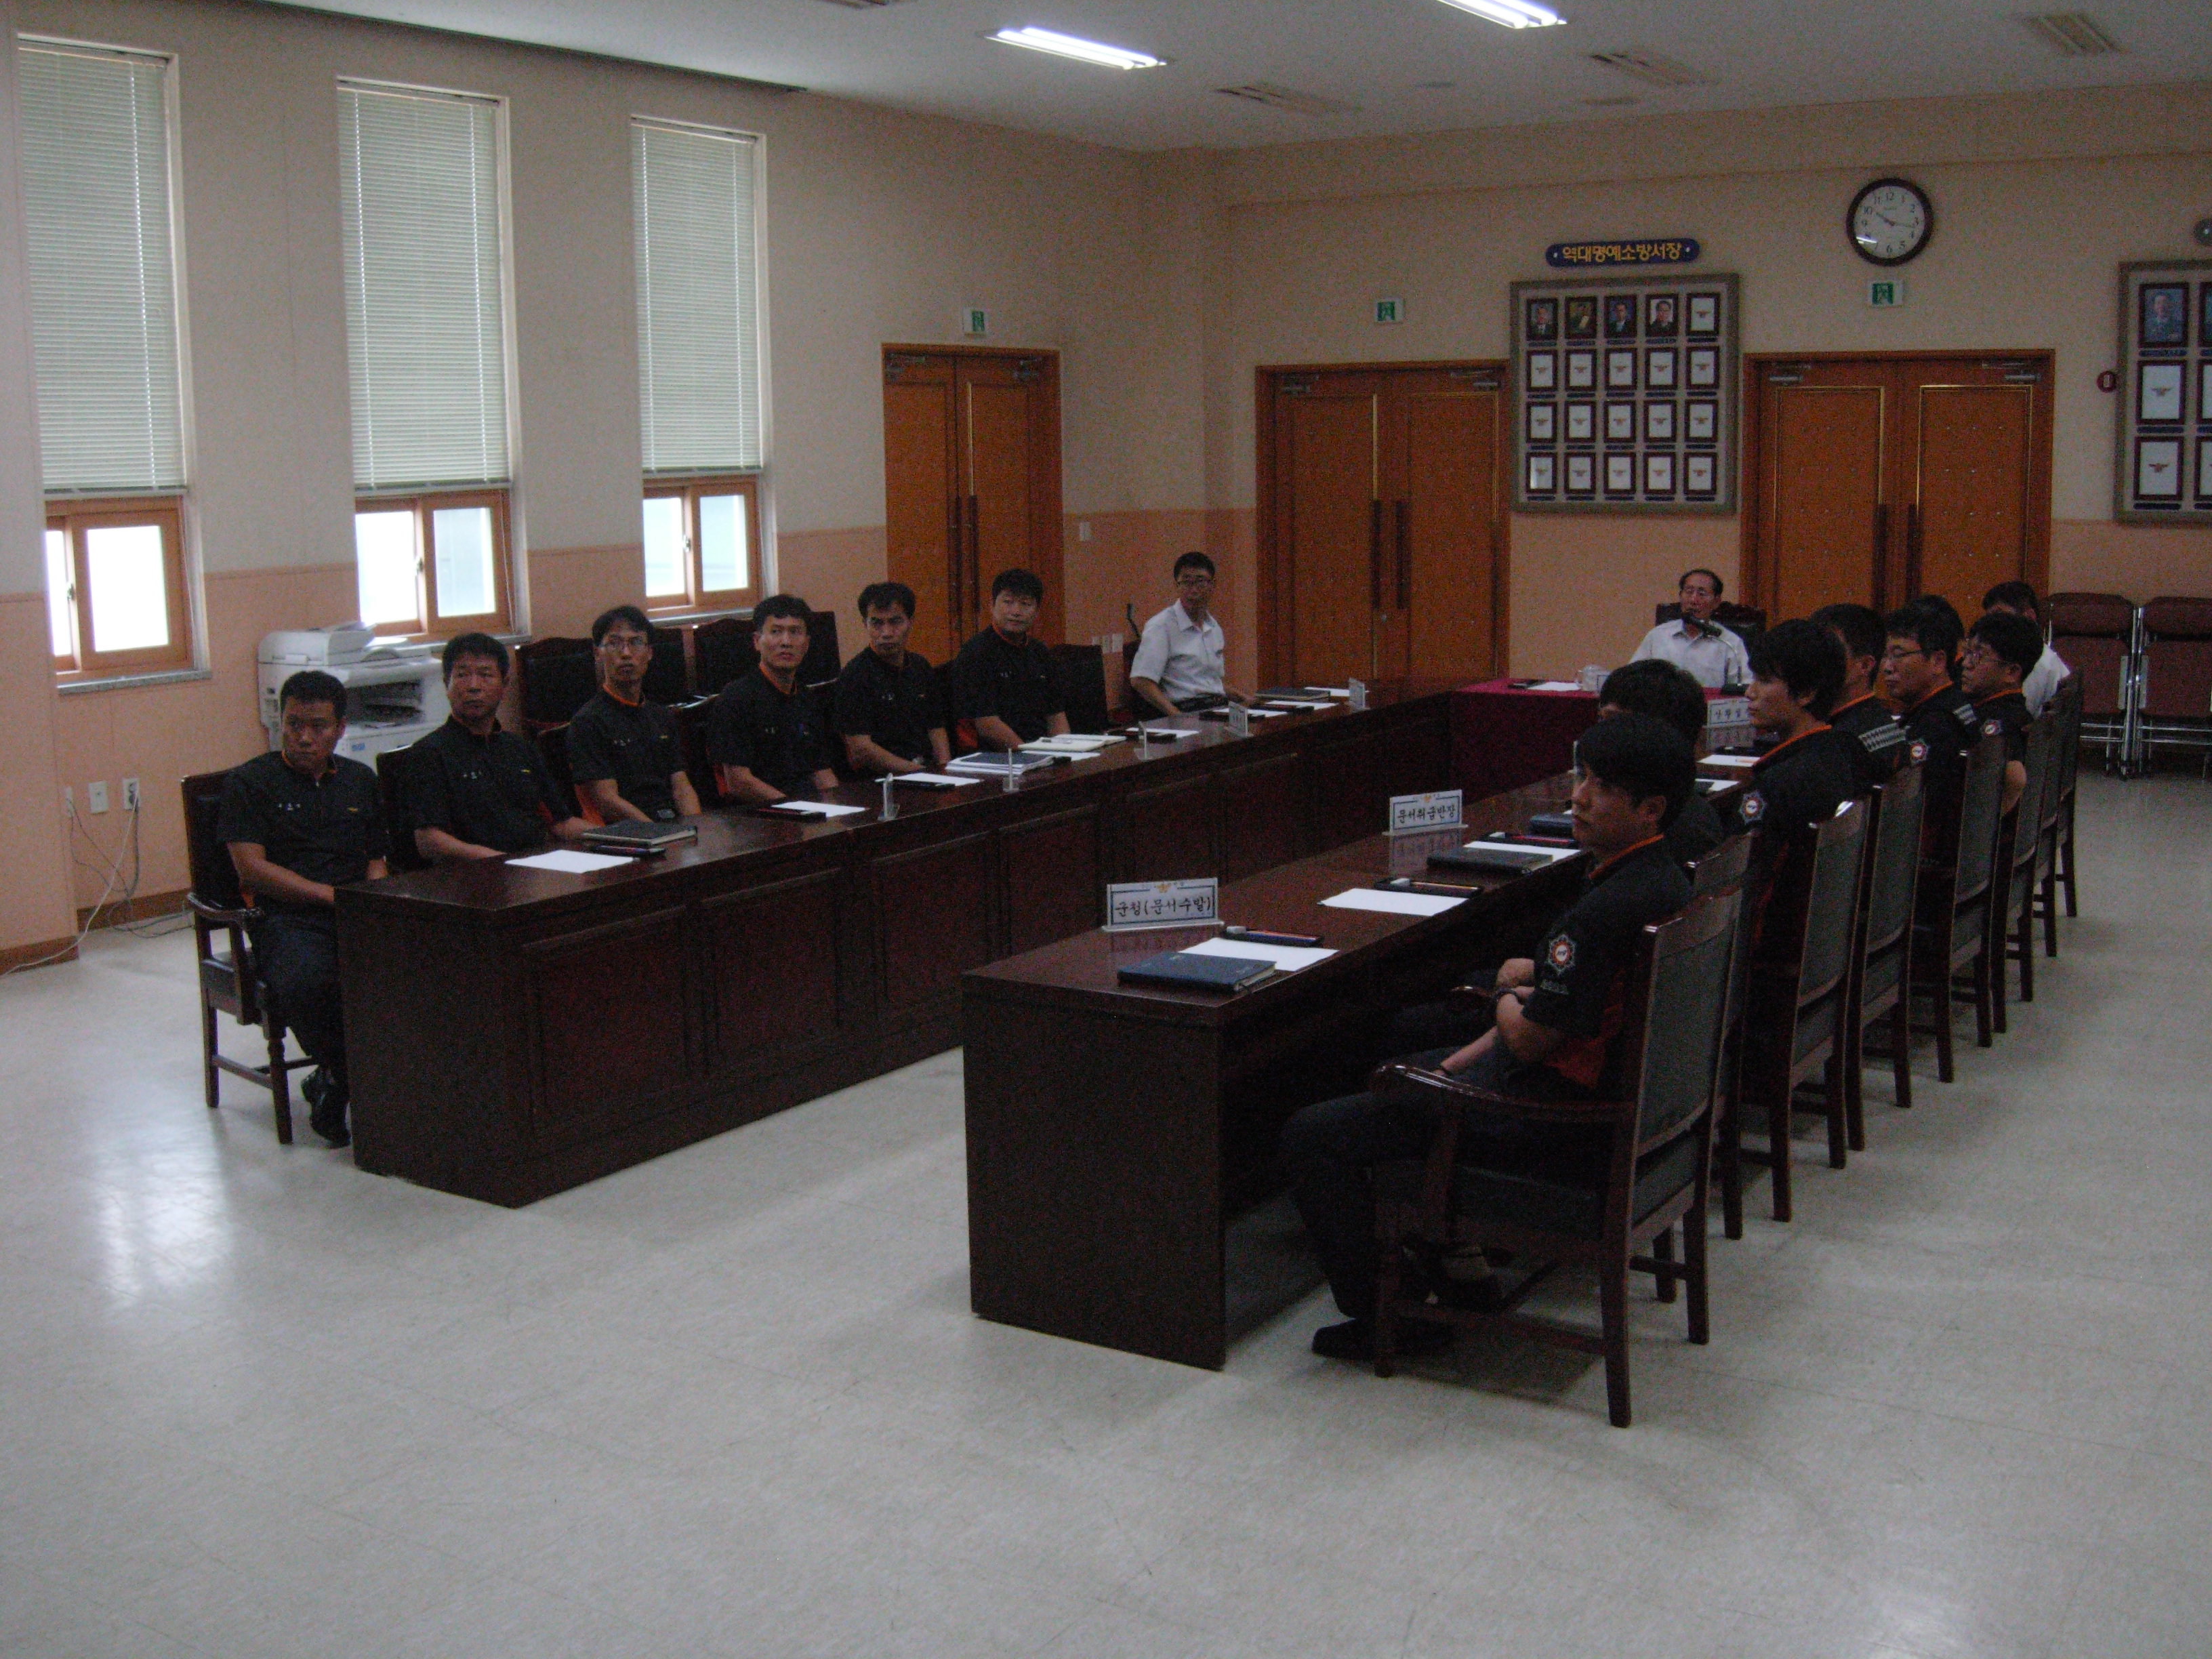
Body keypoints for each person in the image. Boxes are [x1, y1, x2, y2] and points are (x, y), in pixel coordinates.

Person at [1281, 713, 1694, 1361]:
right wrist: (1468, 1051)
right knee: (1406, 1065)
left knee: (1313, 1133)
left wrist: (1504, 991)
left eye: (1603, 788)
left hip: (1556, 1122)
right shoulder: (1667, 879)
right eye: (1582, 777)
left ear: (1651, 808)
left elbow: (1528, 1043)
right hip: (1622, 1110)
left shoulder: (1604, 910)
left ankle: (1391, 1315)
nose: (1579, 798)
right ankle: (1457, 1267)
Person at [217, 670, 390, 1146]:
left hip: (356, 910)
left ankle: (343, 1076)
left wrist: (375, 903)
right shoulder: (250, 783)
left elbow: (377, 859)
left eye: (318, 726)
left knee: (420, 967)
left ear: (340, 729)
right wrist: (326, 895)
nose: (304, 738)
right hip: (286, 917)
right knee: (309, 979)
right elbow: (251, 869)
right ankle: (343, 1074)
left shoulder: (359, 780)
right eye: (294, 725)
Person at [1719, 620, 1865, 907]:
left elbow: (1734, 881)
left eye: (1764, 680)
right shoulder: (1846, 749)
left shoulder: (1778, 783)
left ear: (1806, 693)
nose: (1750, 692)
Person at [407, 634, 591, 861]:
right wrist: (503, 862)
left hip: (536, 866)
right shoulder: (429, 753)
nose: (474, 686)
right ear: (447, 684)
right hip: (476, 873)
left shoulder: (521, 749)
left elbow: (562, 823)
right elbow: (429, 841)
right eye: (462, 675)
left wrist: (615, 836)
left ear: (504, 686)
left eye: (485, 675)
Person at [565, 606, 702, 823]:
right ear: (597, 653)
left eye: (636, 643)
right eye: (614, 644)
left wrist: (697, 827)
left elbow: (681, 786)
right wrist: (657, 833)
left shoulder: (662, 716)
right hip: (629, 832)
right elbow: (606, 800)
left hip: (673, 825)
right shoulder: (588, 722)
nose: (626, 654)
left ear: (649, 653)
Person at [709, 595, 840, 804]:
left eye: (795, 632)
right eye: (776, 632)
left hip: (808, 807)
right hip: (761, 811)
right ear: (756, 641)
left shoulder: (807, 698)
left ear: (806, 644)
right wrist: (795, 807)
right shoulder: (736, 698)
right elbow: (739, 781)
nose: (786, 642)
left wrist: (839, 807)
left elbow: (821, 771)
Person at [1595, 659, 1723, 867]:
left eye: (1613, 721)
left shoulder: (1666, 830)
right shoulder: (1683, 804)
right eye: (1601, 719)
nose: (1599, 733)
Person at [1882, 604, 1981, 842]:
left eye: (1898, 655)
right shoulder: (1953, 702)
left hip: (1927, 852)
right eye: (1885, 655)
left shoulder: (1937, 724)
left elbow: (1907, 811)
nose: (1887, 667)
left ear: (1937, 661)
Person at [834, 582, 951, 777]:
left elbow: (936, 728)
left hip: (927, 772)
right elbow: (861, 749)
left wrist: (945, 769)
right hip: (883, 780)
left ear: (910, 622)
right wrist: (921, 773)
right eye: (877, 623)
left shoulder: (920, 667)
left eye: (895, 622)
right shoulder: (855, 675)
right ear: (865, 624)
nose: (887, 633)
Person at [951, 568, 1070, 750]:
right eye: (1008, 602)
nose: (1016, 612)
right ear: (992, 605)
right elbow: (986, 724)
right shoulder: (976, 653)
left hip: (1040, 749)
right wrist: (1028, 752)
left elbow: (1056, 715)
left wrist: (1065, 751)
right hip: (995, 754)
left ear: (1037, 611)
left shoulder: (1040, 653)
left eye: (1025, 604)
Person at [1128, 552, 1246, 716]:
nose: (1193, 590)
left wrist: (1243, 698)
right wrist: (1177, 716)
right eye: (1186, 583)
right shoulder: (1161, 626)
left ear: (1213, 585)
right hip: (1186, 710)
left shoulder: (1213, 627)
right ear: (1177, 586)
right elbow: (1141, 681)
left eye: (1200, 582)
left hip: (1217, 707)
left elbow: (1209, 683)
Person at [1810, 602, 1910, 787]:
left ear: (1864, 665)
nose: (1815, 661)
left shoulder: (1844, 742)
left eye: (1830, 652)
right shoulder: (1879, 718)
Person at [1962, 609, 2043, 817]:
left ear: (2012, 672)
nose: (1966, 664)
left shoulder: (1998, 724)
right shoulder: (2013, 711)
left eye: (1979, 656)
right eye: (1967, 652)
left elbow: (2014, 778)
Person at [1629, 568, 1748, 689]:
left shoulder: (1730, 642)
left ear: (1716, 602)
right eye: (1689, 592)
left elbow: (1743, 687)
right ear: (1680, 596)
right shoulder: (1658, 636)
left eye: (1702, 594)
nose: (1693, 600)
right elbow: (1632, 678)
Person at [1982, 581, 2069, 715]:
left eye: (1999, 616)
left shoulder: (2037, 663)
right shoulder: (2029, 655)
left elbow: (2017, 718)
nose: (1992, 625)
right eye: (1989, 618)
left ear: (2029, 617)